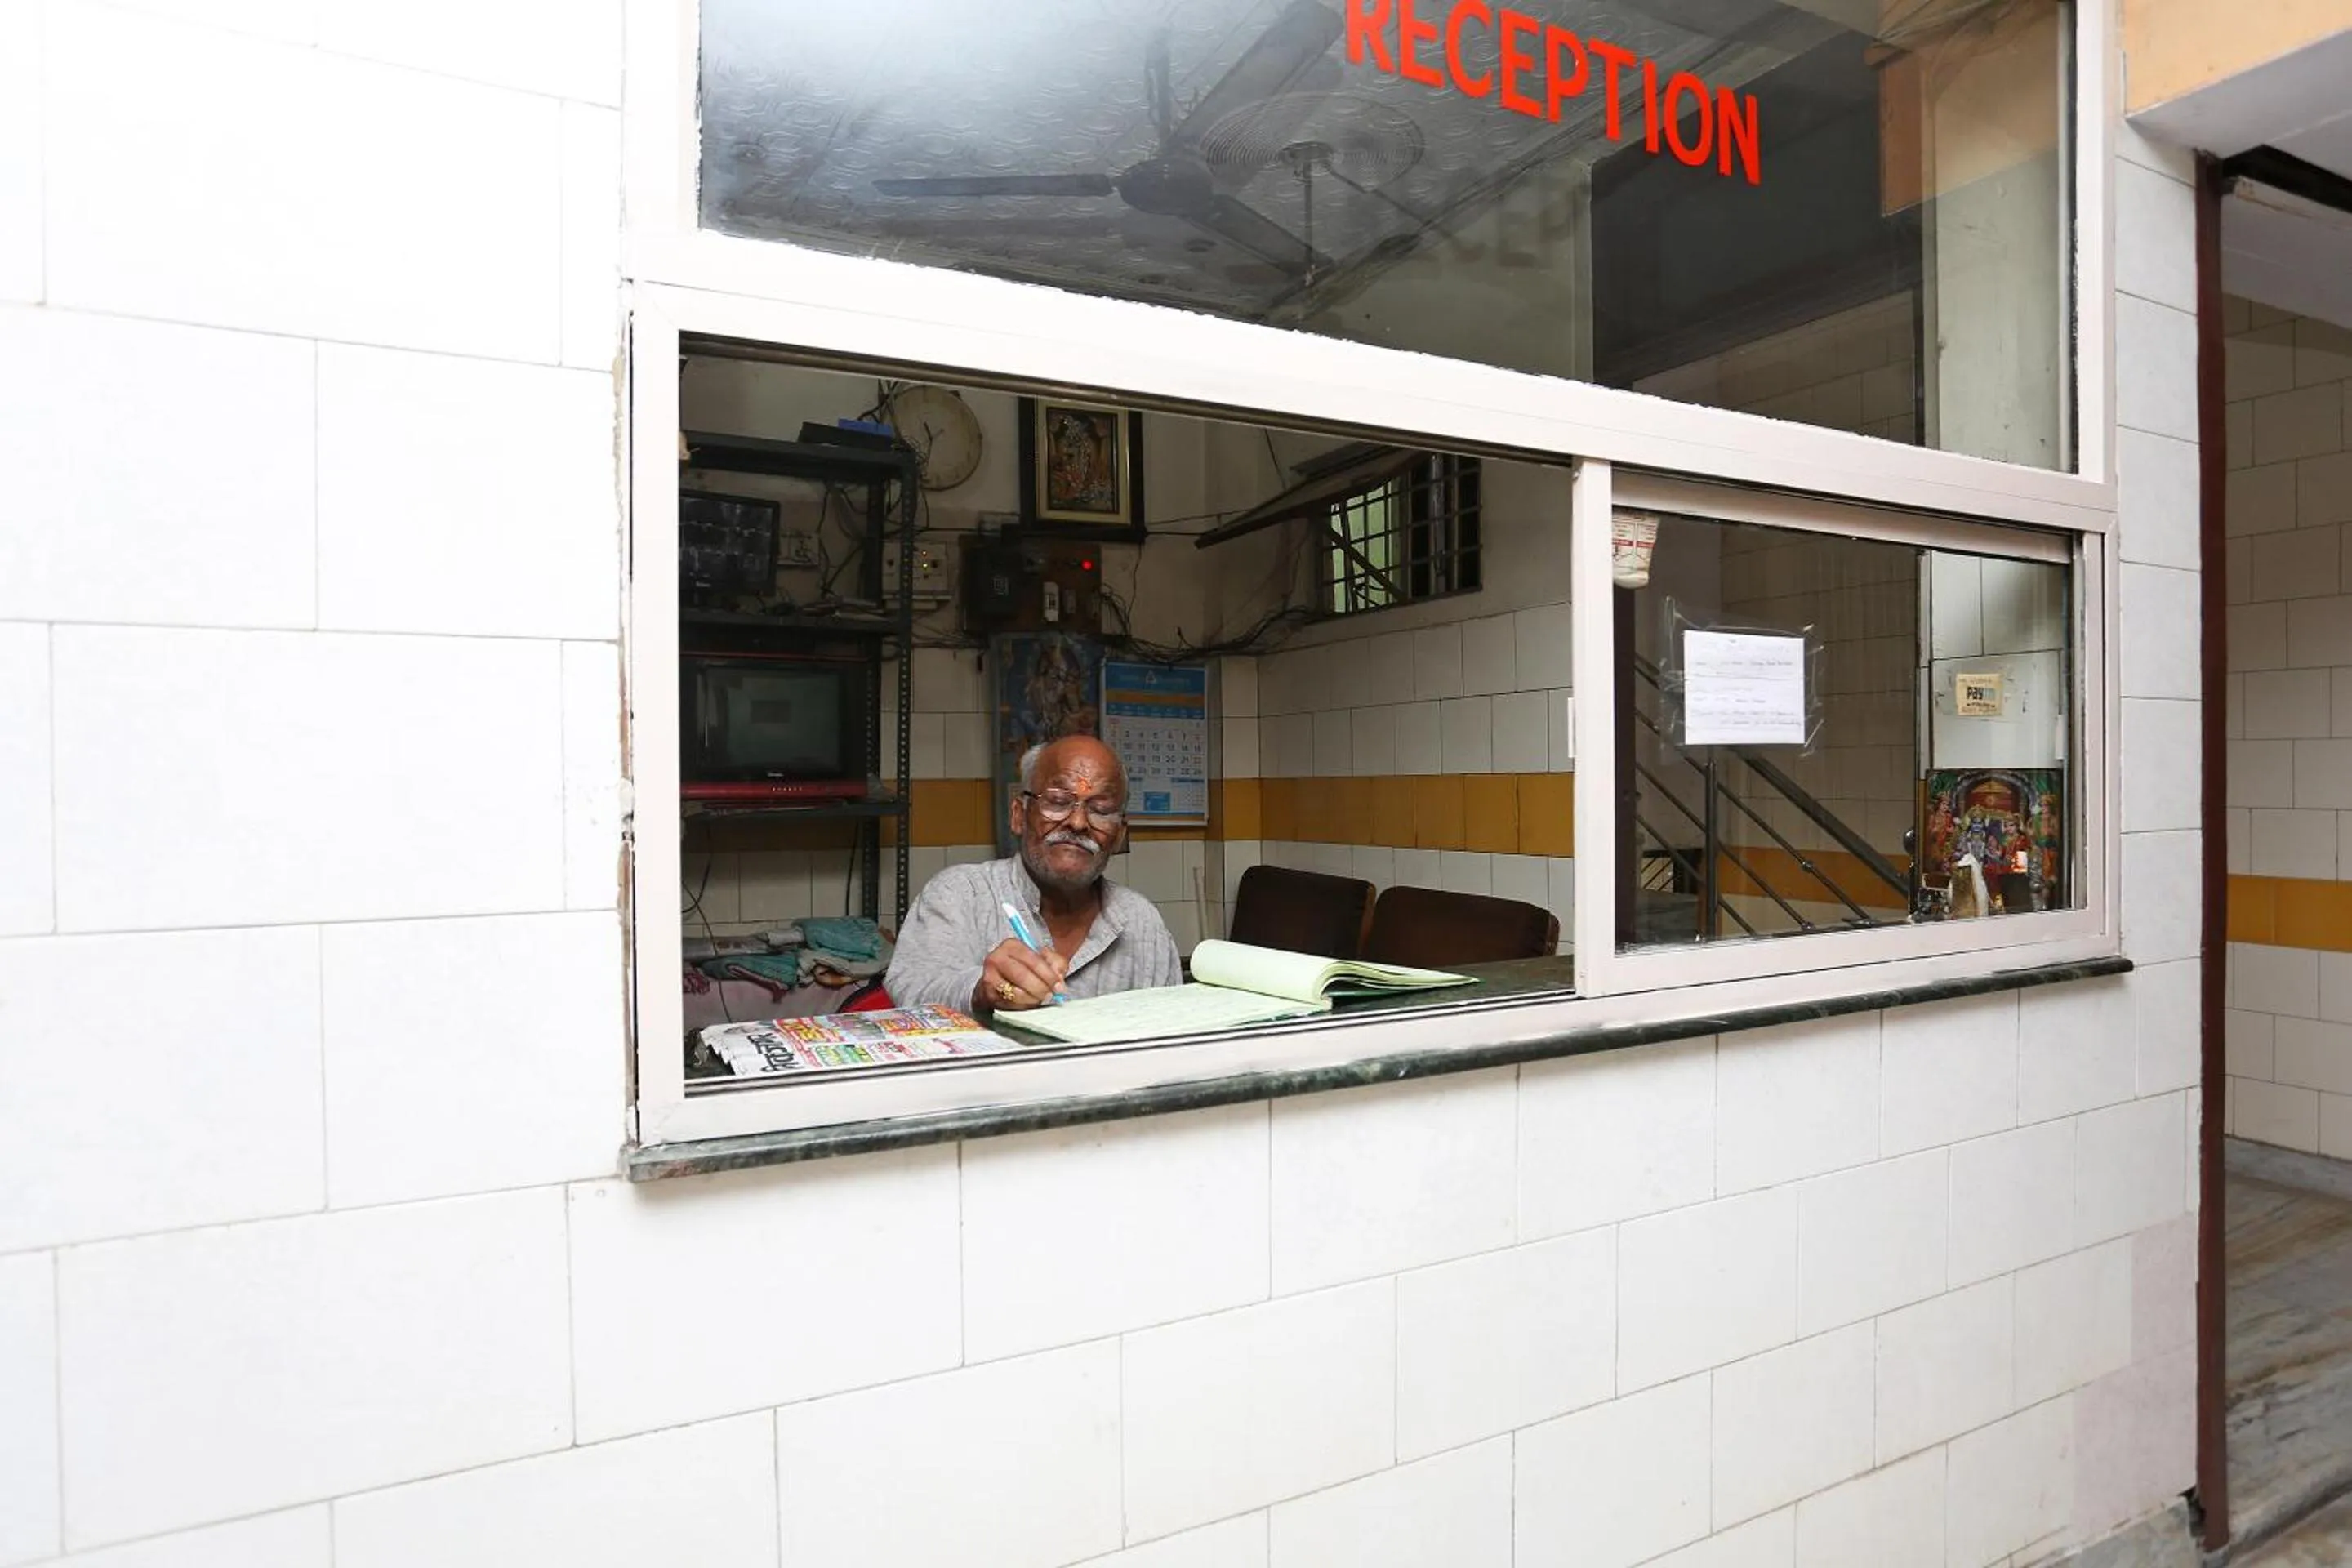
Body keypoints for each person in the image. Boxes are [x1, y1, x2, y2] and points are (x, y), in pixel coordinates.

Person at [885, 734, 1183, 1016]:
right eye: (1057, 802)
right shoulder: (960, 895)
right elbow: (910, 992)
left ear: (1119, 836)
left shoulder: (1142, 923)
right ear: (1018, 814)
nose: (1078, 823)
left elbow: (1174, 1033)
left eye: (1101, 810)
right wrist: (980, 991)